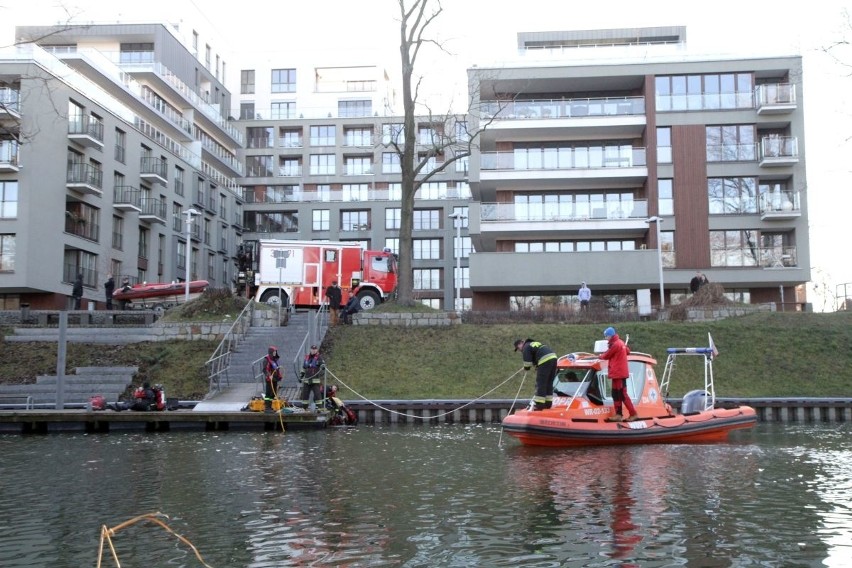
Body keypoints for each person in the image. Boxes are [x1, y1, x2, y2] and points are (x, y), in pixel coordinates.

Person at [599, 326, 639, 422]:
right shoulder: (620, 343)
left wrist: (600, 356)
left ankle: (633, 413)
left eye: (606, 336)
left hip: (618, 373)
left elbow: (606, 355)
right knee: (616, 394)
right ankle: (618, 414)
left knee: (622, 394)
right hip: (618, 373)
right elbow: (627, 351)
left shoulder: (615, 345)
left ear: (610, 336)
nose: (605, 338)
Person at [514, 338, 558, 411]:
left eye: (518, 348)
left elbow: (527, 362)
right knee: (549, 382)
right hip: (553, 357)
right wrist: (537, 366)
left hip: (544, 360)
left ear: (520, 344)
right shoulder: (533, 344)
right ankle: (548, 403)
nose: (520, 350)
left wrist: (526, 368)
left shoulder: (526, 347)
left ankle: (539, 404)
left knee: (541, 382)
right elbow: (537, 355)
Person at [300, 344, 325, 409]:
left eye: (315, 349)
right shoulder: (307, 357)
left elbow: (322, 365)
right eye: (312, 349)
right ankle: (304, 408)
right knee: (305, 396)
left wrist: (322, 366)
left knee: (317, 395)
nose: (313, 351)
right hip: (307, 380)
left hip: (315, 380)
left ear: (316, 350)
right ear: (310, 350)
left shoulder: (319, 357)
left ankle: (320, 408)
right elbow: (304, 368)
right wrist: (301, 376)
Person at [263, 345, 283, 413]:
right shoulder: (266, 360)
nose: (275, 353)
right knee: (268, 393)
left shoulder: (274, 360)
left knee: (273, 393)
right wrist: (269, 375)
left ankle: (270, 406)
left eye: (275, 352)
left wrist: (278, 376)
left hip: (274, 379)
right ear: (271, 352)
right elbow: (265, 369)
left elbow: (276, 369)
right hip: (270, 379)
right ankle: (267, 407)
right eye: (274, 352)